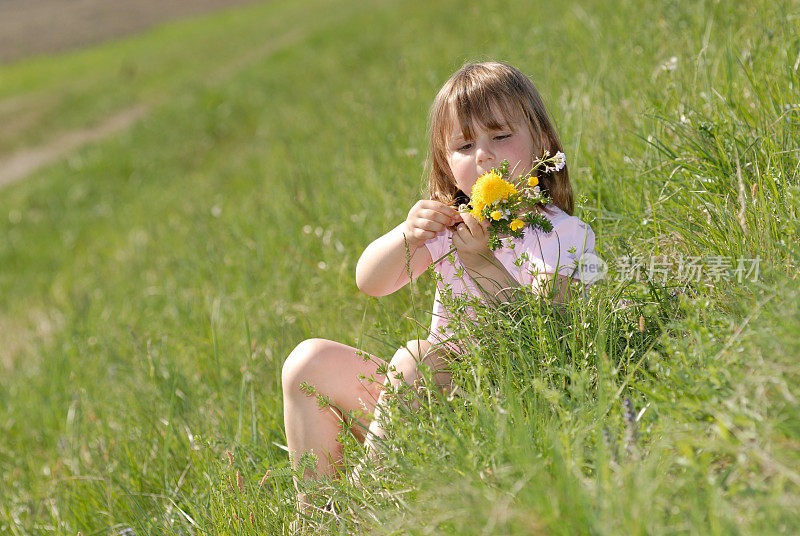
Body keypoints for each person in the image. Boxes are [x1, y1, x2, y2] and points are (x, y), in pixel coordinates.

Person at [281, 60, 598, 526]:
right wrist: (407, 236)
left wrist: (483, 264)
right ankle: (314, 519)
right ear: (447, 166)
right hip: (418, 403)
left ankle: (363, 508)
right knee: (307, 362)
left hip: (501, 407)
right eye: (465, 146)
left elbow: (548, 332)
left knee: (418, 358)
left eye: (501, 137)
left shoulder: (563, 233)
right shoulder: (451, 226)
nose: (484, 156)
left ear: (543, 143)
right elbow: (370, 281)